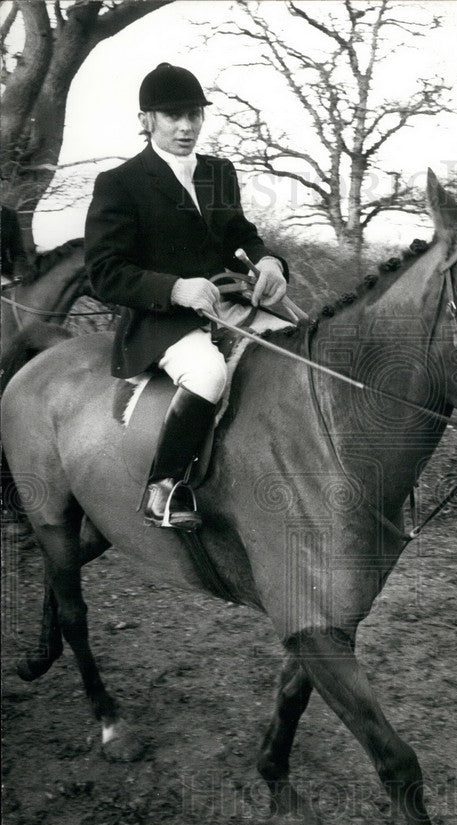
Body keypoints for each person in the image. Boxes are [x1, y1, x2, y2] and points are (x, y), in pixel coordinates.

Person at [85, 63, 289, 529]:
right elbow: (104, 273)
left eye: (194, 114)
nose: (186, 126)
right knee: (208, 374)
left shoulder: (218, 171)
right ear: (146, 120)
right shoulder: (119, 183)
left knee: (295, 347)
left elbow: (242, 234)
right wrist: (174, 288)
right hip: (163, 321)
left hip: (230, 304)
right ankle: (163, 488)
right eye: (173, 116)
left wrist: (270, 262)